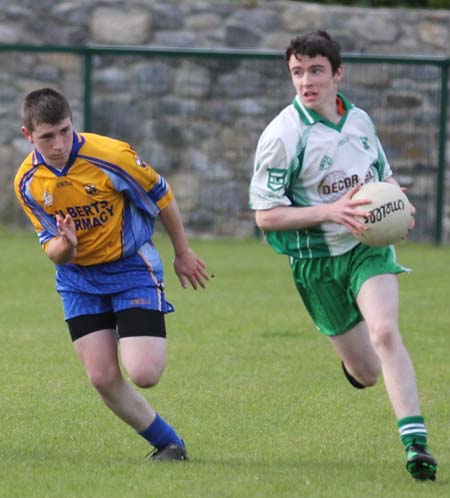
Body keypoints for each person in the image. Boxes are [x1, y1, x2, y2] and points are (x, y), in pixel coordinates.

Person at [249, 30, 437, 481]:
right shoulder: (282, 136)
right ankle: (356, 366)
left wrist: (399, 206)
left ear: (338, 73)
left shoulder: (360, 122)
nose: (306, 81)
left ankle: (416, 446)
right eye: (297, 72)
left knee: (386, 331)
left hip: (365, 250)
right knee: (367, 371)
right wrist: (331, 210)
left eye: (316, 71)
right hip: (316, 264)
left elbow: (385, 180)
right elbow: (265, 217)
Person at [14, 87, 209, 462]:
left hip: (130, 268)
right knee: (102, 376)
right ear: (29, 136)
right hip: (78, 280)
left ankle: (132, 323)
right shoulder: (28, 182)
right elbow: (50, 249)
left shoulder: (112, 155)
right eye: (47, 137)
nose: (59, 144)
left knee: (144, 371)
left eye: (65, 131)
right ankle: (168, 444)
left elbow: (162, 196)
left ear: (73, 123)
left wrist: (182, 252)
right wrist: (66, 245)